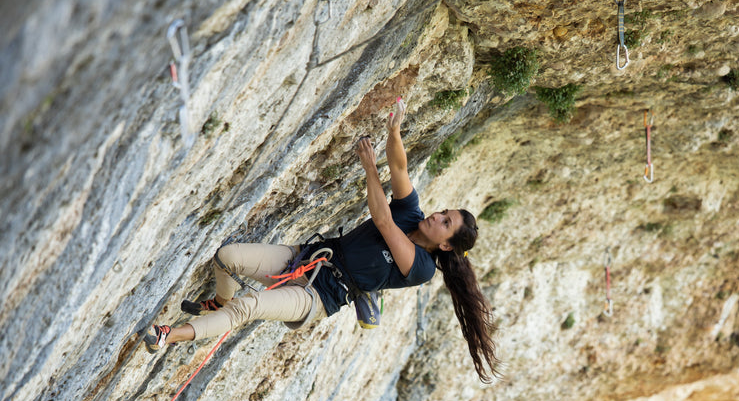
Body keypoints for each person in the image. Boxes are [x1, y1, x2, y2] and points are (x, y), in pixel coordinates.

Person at [142, 99, 500, 383]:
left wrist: (369, 169)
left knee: (248, 308)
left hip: (318, 296)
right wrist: (394, 131)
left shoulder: (421, 268)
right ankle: (218, 301)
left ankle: (166, 336)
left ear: (447, 245)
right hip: (304, 259)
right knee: (227, 256)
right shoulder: (413, 212)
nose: (437, 215)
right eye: (444, 211)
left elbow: (383, 223)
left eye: (446, 221)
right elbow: (402, 170)